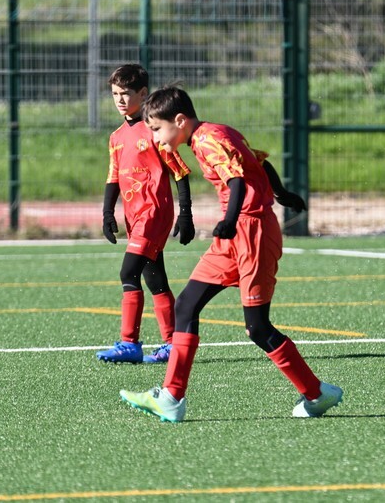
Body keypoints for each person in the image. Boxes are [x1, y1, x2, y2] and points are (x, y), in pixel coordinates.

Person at [119, 86, 342, 422]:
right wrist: (281, 193)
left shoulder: (208, 140)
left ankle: (316, 393)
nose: (155, 138)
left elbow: (236, 180)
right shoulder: (216, 132)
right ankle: (171, 398)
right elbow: (258, 162)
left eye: (157, 129)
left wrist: (229, 219)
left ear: (179, 121)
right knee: (186, 305)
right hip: (234, 234)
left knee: (258, 327)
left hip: (251, 232)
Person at [95, 65, 195, 365]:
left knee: (128, 273)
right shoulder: (116, 136)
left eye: (126, 93)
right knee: (155, 279)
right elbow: (113, 176)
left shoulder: (154, 131)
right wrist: (107, 213)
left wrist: (186, 213)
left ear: (143, 94)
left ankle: (130, 343)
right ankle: (173, 343)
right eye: (115, 94)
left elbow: (180, 172)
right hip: (135, 216)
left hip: (153, 213)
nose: (120, 99)